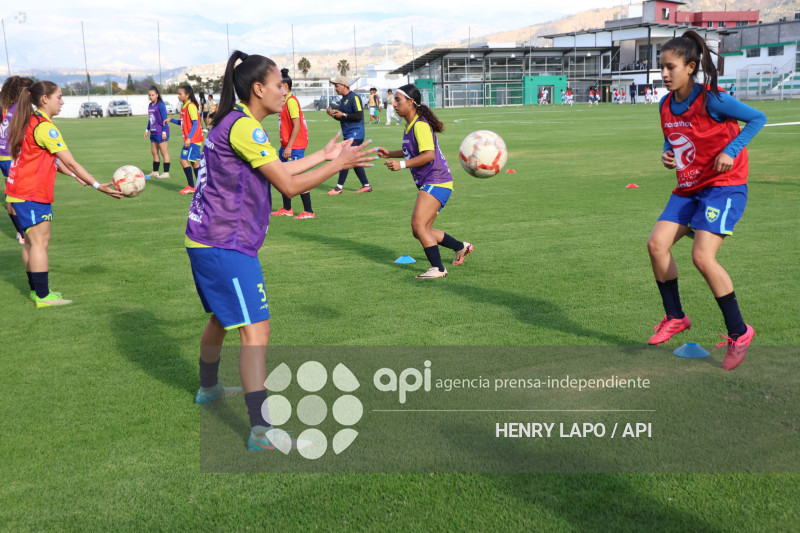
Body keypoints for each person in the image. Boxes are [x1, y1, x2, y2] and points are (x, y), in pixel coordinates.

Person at [185, 50, 374, 451]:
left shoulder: (238, 124)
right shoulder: (245, 128)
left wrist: (324, 155)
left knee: (222, 317)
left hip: (208, 238)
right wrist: (343, 162)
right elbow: (288, 188)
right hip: (225, 244)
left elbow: (278, 171)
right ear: (258, 89)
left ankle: (208, 389)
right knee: (257, 331)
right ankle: (260, 430)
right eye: (278, 85)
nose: (282, 91)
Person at [647, 30, 766, 370]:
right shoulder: (665, 104)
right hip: (689, 186)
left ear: (690, 67)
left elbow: (757, 118)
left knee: (702, 256)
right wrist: (669, 154)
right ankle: (675, 317)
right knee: (656, 245)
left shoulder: (712, 99)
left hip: (723, 186)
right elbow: (675, 139)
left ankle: (739, 332)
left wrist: (731, 149)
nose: (664, 74)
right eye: (662, 67)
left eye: (670, 67)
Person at [5, 81, 123, 308]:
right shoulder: (45, 127)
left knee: (31, 243)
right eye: (59, 97)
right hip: (30, 193)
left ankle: (36, 292)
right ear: (44, 99)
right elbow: (70, 160)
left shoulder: (31, 120)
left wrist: (72, 175)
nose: (63, 101)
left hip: (17, 191)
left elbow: (50, 160)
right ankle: (43, 296)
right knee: (40, 243)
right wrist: (99, 186)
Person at [377, 84, 472, 279]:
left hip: (437, 180)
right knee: (420, 230)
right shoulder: (410, 125)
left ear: (411, 102)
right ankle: (460, 247)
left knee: (419, 226)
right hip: (434, 182)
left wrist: (402, 164)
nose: (394, 104)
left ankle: (438, 268)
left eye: (398, 100)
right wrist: (390, 153)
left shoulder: (420, 124)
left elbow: (428, 155)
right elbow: (414, 151)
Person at [271, 68, 314, 220]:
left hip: (295, 146)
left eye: (278, 86)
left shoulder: (291, 102)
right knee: (282, 176)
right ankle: (287, 208)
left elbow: (297, 125)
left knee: (298, 178)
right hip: (287, 146)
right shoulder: (284, 102)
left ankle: (308, 211)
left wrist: (289, 146)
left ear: (286, 87)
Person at [1, 76, 33, 245]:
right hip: (11, 155)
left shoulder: (10, 106)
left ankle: (21, 231)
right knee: (17, 196)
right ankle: (23, 232)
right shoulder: (21, 108)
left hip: (4, 155)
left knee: (11, 195)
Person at [326, 76, 372, 194]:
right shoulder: (343, 100)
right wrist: (333, 115)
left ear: (344, 86)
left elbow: (359, 116)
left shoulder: (354, 97)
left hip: (356, 134)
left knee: (344, 158)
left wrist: (344, 115)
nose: (335, 88)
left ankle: (338, 187)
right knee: (353, 160)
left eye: (336, 86)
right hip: (348, 134)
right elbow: (342, 118)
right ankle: (366, 185)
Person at [169, 85, 204, 195]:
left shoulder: (190, 106)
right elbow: (183, 123)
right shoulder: (184, 107)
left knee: (183, 160)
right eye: (178, 94)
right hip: (193, 139)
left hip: (193, 139)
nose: (178, 96)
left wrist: (189, 138)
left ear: (187, 95)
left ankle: (191, 186)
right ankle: (200, 187)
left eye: (180, 94)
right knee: (194, 163)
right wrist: (171, 120)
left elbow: (195, 123)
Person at [143, 85, 170, 179]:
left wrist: (164, 132)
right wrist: (147, 129)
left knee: (164, 152)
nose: (151, 97)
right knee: (154, 152)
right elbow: (150, 119)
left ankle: (166, 173)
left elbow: (165, 119)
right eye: (149, 95)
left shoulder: (160, 105)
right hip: (153, 132)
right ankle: (155, 172)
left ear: (157, 95)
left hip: (161, 132)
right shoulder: (150, 105)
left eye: (152, 95)